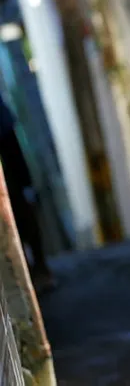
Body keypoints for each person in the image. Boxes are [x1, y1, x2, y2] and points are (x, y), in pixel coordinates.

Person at [0, 96, 54, 290]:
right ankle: (25, 272)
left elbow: (10, 144)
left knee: (20, 210)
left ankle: (37, 268)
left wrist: (25, 182)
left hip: (8, 160)